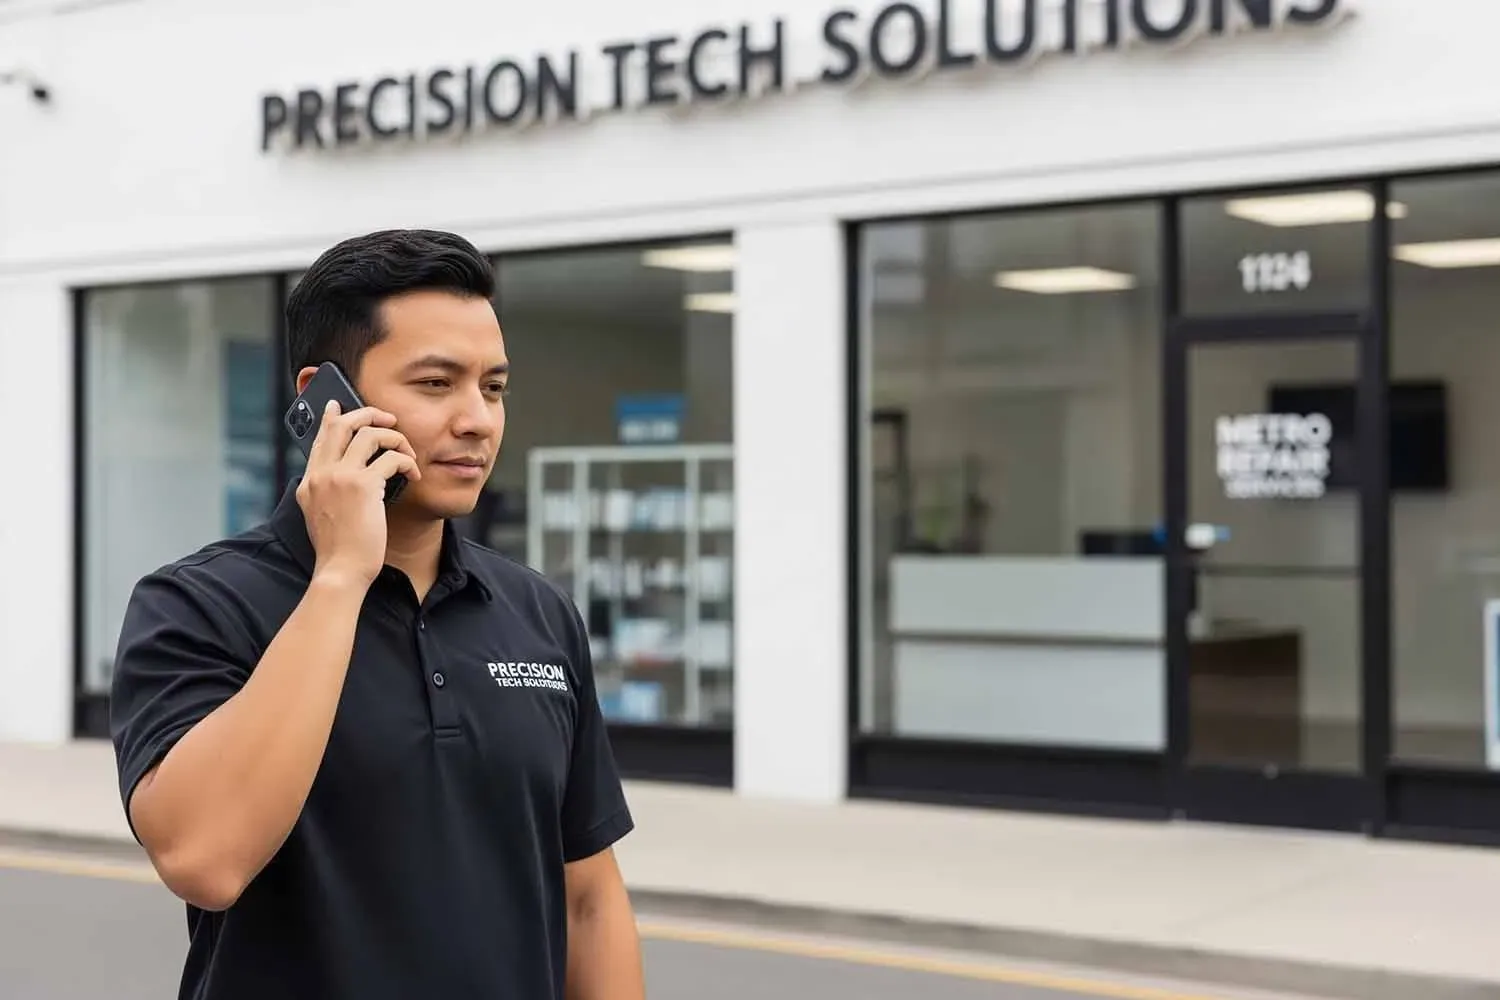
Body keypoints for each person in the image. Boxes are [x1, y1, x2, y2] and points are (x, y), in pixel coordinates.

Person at [109, 229, 645, 1000]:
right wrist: (341, 575)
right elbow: (205, 860)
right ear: (324, 399)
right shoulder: (199, 604)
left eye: (493, 387)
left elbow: (587, 899)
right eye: (436, 383)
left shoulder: (539, 614)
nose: (478, 419)